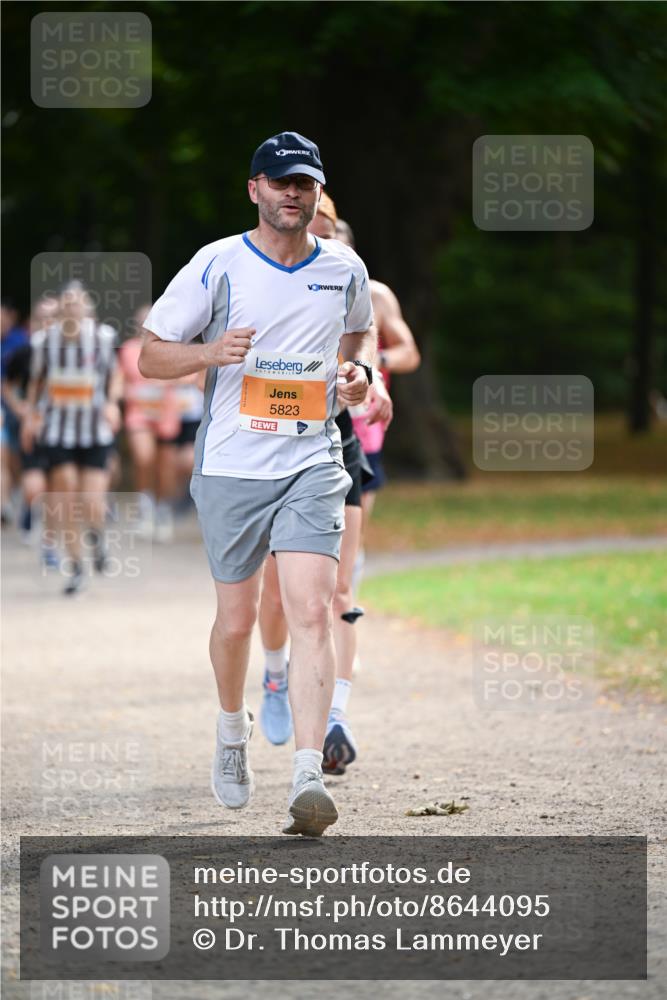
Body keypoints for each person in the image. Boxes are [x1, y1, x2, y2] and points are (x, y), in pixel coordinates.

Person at [138, 132, 376, 837]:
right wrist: (211, 352)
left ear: (317, 191)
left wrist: (357, 376)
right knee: (238, 621)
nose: (291, 193)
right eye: (279, 181)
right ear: (255, 189)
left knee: (311, 611)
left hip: (311, 462)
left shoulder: (344, 268)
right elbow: (150, 355)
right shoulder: (217, 263)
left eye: (303, 182)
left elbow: (357, 335)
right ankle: (229, 729)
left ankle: (307, 775)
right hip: (231, 467)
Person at [257, 192, 393, 776]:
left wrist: (372, 382)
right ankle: (274, 673)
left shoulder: (347, 280)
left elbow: (365, 344)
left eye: (328, 229)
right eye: (311, 228)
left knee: (340, 589)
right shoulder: (257, 278)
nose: (319, 238)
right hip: (269, 449)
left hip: (336, 443)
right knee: (274, 595)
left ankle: (336, 716)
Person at [21, 282, 122, 595]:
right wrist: (30, 416)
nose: (72, 308)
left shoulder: (104, 338)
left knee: (92, 502)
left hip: (94, 432)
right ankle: (77, 567)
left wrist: (112, 402)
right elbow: (36, 382)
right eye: (66, 303)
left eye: (77, 303)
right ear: (60, 310)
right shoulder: (43, 342)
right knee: (64, 497)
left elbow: (116, 375)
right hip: (57, 431)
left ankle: (97, 535)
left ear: (87, 309)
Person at [335, 219, 420, 526]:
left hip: (362, 418)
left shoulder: (376, 296)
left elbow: (409, 354)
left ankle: (354, 555)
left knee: (353, 522)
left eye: (339, 247)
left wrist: (371, 363)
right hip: (308, 415)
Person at [118, 304, 182, 541]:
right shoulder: (129, 349)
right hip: (139, 413)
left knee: (165, 468)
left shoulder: (171, 347)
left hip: (165, 414)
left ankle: (162, 509)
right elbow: (120, 379)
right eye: (142, 321)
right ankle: (144, 508)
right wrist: (126, 392)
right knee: (143, 458)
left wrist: (165, 383)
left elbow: (188, 375)